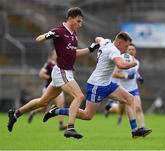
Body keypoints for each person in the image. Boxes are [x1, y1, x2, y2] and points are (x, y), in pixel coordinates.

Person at [7, 7, 100, 139]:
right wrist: (47, 35)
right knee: (79, 97)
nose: (80, 24)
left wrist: (90, 49)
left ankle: (15, 114)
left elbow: (74, 53)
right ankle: (70, 128)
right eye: (78, 21)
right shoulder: (59, 31)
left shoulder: (73, 34)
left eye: (81, 22)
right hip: (62, 71)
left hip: (64, 72)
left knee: (43, 102)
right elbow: (38, 39)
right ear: (70, 18)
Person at [43, 32, 152, 138]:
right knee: (87, 115)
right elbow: (120, 65)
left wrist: (99, 42)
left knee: (130, 99)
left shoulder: (106, 42)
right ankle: (56, 111)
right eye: (126, 45)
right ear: (119, 42)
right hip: (97, 86)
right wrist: (132, 64)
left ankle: (135, 130)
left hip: (107, 83)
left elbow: (98, 38)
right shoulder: (113, 50)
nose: (126, 49)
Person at [104, 43, 147, 131]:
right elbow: (115, 74)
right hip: (123, 90)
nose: (131, 51)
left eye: (133, 49)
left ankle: (142, 127)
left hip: (134, 89)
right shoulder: (122, 59)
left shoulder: (136, 62)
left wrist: (139, 77)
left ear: (135, 51)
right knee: (121, 110)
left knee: (138, 107)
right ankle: (110, 109)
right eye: (129, 49)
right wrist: (126, 76)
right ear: (126, 50)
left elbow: (135, 72)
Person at [28, 50, 66, 130]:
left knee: (61, 104)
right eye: (56, 54)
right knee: (43, 107)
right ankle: (33, 112)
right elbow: (41, 74)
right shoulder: (49, 64)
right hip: (49, 88)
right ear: (52, 55)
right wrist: (50, 77)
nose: (58, 55)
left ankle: (61, 124)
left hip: (59, 88)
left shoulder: (61, 64)